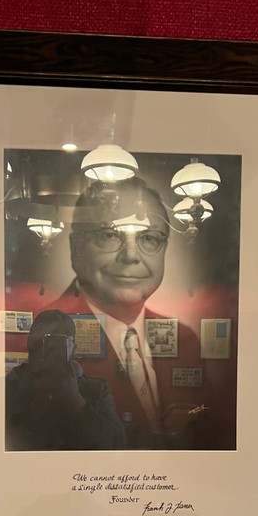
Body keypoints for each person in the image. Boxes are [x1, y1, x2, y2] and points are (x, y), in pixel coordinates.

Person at [49, 178, 209, 449]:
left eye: (149, 238)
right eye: (109, 235)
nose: (131, 256)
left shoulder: (186, 339)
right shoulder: (41, 338)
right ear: (75, 250)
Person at [5, 309, 126, 451]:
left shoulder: (97, 389)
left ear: (73, 348)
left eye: (58, 345)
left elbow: (117, 445)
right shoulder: (8, 387)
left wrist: (75, 401)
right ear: (30, 345)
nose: (51, 351)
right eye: (44, 343)